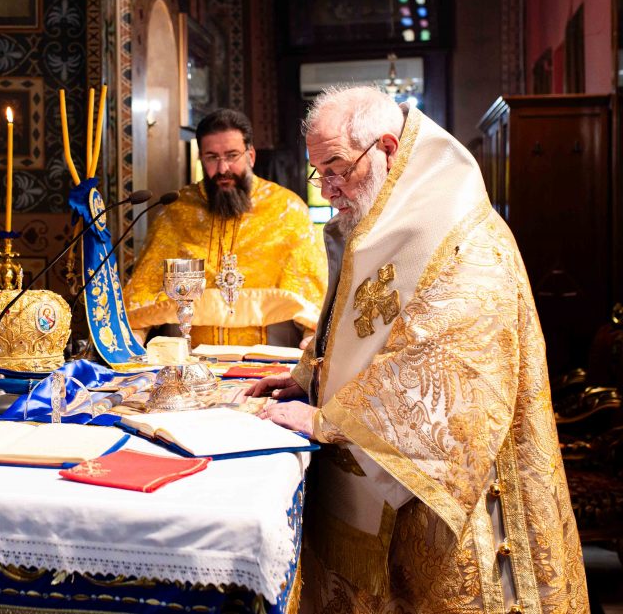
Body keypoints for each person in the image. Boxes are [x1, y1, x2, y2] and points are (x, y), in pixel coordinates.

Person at [247, 86, 587, 612]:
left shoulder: (462, 236)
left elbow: (448, 367)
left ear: (386, 148)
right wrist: (310, 377)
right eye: (320, 173)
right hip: (384, 469)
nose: (328, 189)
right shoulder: (382, 217)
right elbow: (358, 319)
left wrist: (325, 419)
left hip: (454, 489)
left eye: (337, 170)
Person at [124, 109, 327, 348]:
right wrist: (133, 337)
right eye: (212, 157)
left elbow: (312, 294)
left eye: (232, 155)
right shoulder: (176, 211)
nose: (222, 169)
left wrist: (312, 337)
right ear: (201, 158)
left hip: (269, 360)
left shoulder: (287, 209)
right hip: (189, 361)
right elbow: (143, 293)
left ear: (251, 156)